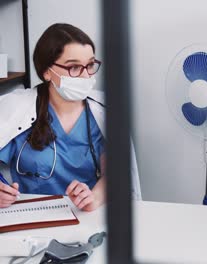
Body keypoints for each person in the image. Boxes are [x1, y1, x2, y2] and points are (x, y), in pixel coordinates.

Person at [0, 23, 141, 211]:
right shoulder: (16, 108)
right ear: (47, 72)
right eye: (74, 67)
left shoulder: (103, 112)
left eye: (90, 65)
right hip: (30, 215)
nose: (85, 76)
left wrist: (94, 198)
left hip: (86, 216)